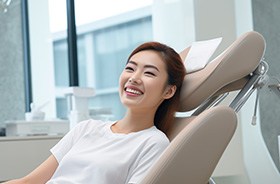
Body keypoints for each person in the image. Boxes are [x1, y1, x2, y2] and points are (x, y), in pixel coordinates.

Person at [4, 41, 186, 184]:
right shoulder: (86, 128)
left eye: (149, 73)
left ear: (168, 91)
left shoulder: (153, 143)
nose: (134, 78)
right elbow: (29, 181)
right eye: (130, 68)